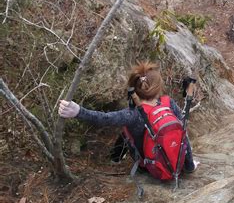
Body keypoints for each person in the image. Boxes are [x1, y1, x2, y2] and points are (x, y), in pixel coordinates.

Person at [58, 61, 197, 174]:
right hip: (175, 161)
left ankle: (115, 158)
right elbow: (183, 134)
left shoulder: (132, 114)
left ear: (134, 89)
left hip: (150, 168)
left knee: (126, 131)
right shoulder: (168, 103)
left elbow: (104, 119)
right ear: (158, 86)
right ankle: (184, 163)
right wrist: (190, 166)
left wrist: (78, 111)